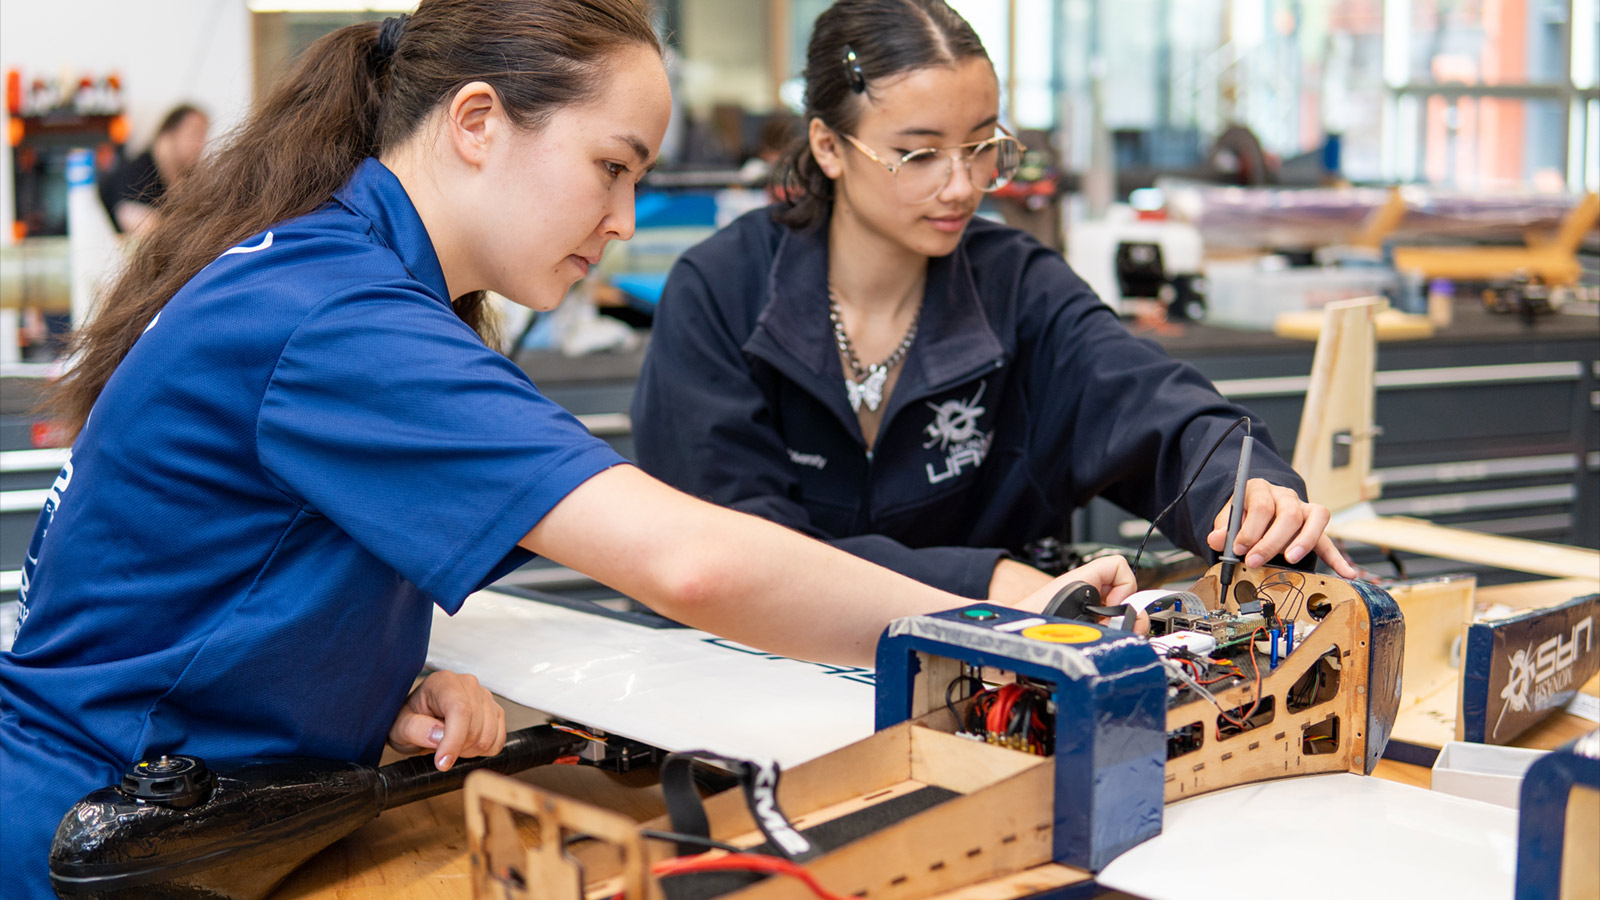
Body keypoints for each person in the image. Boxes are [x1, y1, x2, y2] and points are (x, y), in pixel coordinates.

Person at [0, 3, 1132, 895]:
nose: (626, 218)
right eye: (611, 167)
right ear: (477, 122)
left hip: (163, 813)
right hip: (87, 841)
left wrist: (363, 684)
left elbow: (222, 570)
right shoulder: (340, 316)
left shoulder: (328, 270)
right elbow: (691, 563)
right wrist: (1003, 626)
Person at [630, 0, 1359, 607]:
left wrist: (1244, 487)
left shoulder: (1018, 285)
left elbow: (1153, 406)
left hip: (987, 689)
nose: (961, 186)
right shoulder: (720, 293)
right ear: (827, 146)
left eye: (982, 147)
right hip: (747, 683)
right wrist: (989, 583)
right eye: (920, 154)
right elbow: (740, 553)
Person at [97, 102, 210, 234]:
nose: (201, 145)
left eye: (203, 136)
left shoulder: (186, 180)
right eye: (195, 133)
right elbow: (135, 221)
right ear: (167, 133)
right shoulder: (138, 171)